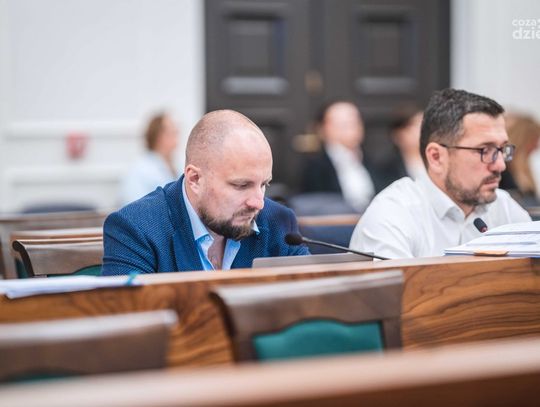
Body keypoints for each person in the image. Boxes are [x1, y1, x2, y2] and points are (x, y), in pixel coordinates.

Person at [102, 110, 309, 275]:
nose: (259, 203)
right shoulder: (136, 228)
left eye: (264, 184)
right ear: (195, 179)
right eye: (241, 185)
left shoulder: (279, 223)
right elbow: (127, 313)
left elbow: (311, 302)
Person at [349, 88, 531, 259]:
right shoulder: (392, 215)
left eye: (502, 149)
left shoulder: (504, 207)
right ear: (436, 157)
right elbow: (395, 284)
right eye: (485, 150)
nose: (500, 165)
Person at [298, 100, 378, 213]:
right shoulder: (315, 166)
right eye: (343, 124)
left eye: (354, 122)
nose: (351, 128)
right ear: (322, 129)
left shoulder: (372, 160)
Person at [119, 112, 179, 205]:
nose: (177, 135)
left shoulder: (176, 164)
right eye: (172, 132)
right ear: (159, 137)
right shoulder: (140, 169)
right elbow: (134, 206)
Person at [504, 114, 540, 205]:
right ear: (524, 140)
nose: (536, 146)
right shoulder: (504, 168)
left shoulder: (524, 170)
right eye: (534, 140)